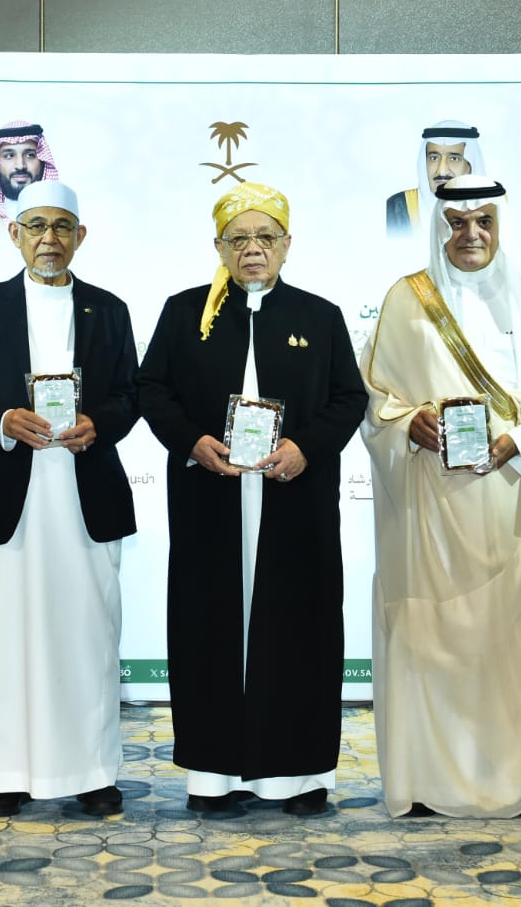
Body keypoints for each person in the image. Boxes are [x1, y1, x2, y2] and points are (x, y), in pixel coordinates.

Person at [138, 181, 367, 817]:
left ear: (287, 244)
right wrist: (192, 440)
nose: (253, 249)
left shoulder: (319, 316)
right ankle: (213, 773)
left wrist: (306, 448)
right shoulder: (185, 312)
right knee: (206, 626)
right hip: (209, 497)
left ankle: (297, 775)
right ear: (219, 247)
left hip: (295, 499)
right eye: (238, 238)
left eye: (266, 237)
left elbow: (349, 398)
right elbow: (152, 389)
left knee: (300, 627)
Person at [359, 175, 521, 820]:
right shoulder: (406, 299)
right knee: (434, 642)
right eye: (457, 223)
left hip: (516, 499)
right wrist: (410, 423)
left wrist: (518, 441)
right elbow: (377, 398)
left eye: (484, 221)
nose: (471, 235)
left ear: (501, 225)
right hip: (433, 506)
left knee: (517, 646)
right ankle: (430, 782)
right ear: (439, 228)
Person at [0, 179, 140, 818]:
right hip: (7, 499)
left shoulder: (108, 309)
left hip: (85, 499)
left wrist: (99, 424)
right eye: (36, 227)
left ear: (80, 236)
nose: (49, 239)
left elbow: (130, 395)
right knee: (2, 636)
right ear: (14, 234)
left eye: (61, 227)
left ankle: (92, 772)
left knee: (86, 635)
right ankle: (2, 773)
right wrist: (3, 421)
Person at [386, 121, 487, 237]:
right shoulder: (399, 207)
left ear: (471, 166)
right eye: (434, 158)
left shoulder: (495, 207)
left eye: (454, 159)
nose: (442, 171)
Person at [0, 121, 60, 240]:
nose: (20, 165)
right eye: (9, 156)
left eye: (30, 155)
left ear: (43, 162)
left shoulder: (63, 223)